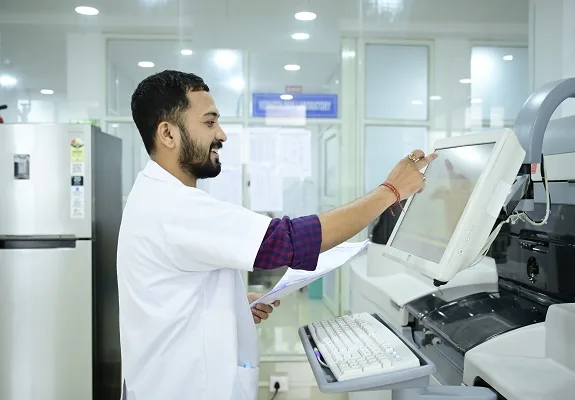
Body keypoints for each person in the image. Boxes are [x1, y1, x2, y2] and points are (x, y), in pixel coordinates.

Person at [117, 70, 436, 400]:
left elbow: (173, 291)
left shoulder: (154, 195)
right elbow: (288, 242)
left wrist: (230, 306)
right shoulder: (175, 206)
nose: (222, 134)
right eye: (209, 122)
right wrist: (390, 191)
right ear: (168, 134)